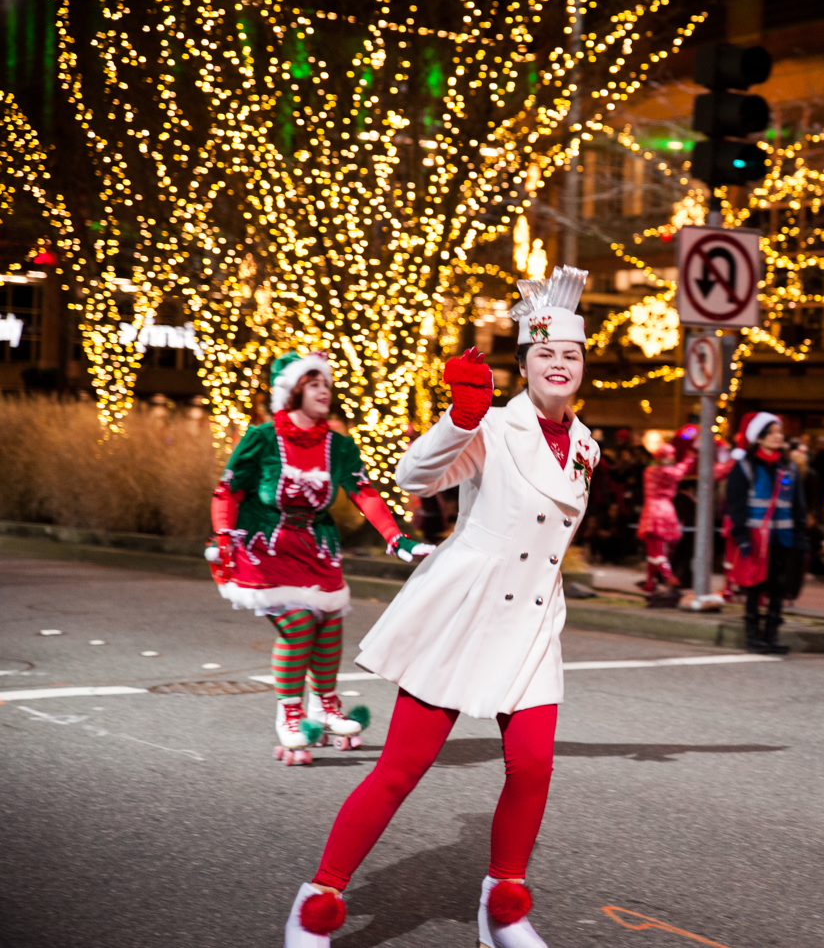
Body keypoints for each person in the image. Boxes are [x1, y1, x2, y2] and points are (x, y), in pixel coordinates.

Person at [279, 268, 600, 948]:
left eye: (570, 353)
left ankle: (504, 909)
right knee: (401, 769)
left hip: (534, 621)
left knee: (534, 767)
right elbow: (414, 477)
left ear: (582, 364)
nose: (559, 364)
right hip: (468, 611)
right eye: (545, 353)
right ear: (525, 365)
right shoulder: (495, 425)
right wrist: (460, 417)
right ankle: (319, 899)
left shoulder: (587, 445)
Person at [206, 352, 431, 767]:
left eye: (326, 384)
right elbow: (229, 490)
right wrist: (222, 536)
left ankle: (324, 707)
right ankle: (290, 714)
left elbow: (363, 492)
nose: (324, 391)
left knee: (329, 624)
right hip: (266, 547)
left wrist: (396, 538)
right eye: (313, 385)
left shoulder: (339, 445)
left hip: (315, 548)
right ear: (292, 393)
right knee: (297, 623)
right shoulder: (261, 438)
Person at [725, 412, 809, 655]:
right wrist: (741, 536)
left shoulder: (789, 467)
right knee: (754, 584)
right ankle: (753, 634)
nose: (777, 437)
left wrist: (801, 536)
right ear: (758, 437)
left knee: (779, 584)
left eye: (779, 432)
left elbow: (798, 504)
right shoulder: (745, 466)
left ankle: (772, 634)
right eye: (771, 432)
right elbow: (736, 503)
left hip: (783, 537)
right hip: (754, 537)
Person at [636, 441, 696, 596]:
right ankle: (651, 582)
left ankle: (668, 577)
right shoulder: (672, 472)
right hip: (667, 510)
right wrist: (690, 457)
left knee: (654, 550)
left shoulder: (649, 471)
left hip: (652, 510)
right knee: (657, 550)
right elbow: (682, 470)